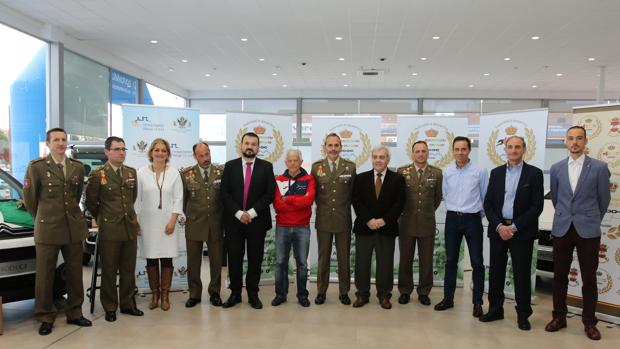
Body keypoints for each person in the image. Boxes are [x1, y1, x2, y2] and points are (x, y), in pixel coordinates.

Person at [23, 127, 92, 335]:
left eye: (63, 140)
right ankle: (45, 316)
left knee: (74, 274)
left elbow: (76, 194)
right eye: (56, 140)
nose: (61, 143)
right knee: (44, 276)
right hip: (48, 229)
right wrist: (42, 219)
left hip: (72, 228)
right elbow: (30, 199)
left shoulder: (77, 168)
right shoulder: (36, 167)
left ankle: (75, 312)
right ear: (48, 144)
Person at [545, 126, 610, 340]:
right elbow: (556, 198)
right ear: (565, 141)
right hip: (563, 228)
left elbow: (604, 200)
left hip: (588, 230)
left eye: (579, 138)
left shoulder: (599, 168)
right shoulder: (556, 168)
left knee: (589, 279)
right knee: (560, 277)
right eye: (571, 138)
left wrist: (590, 219)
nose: (575, 142)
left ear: (585, 141)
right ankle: (559, 317)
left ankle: (590, 322)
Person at [480, 136, 544, 331]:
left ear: (524, 149)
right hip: (498, 230)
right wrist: (500, 226)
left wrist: (514, 227)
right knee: (496, 272)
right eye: (510, 147)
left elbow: (536, 207)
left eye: (517, 147)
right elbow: (488, 204)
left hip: (521, 232)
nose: (513, 150)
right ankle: (495, 309)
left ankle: (523, 314)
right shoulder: (496, 173)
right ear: (505, 150)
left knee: (522, 274)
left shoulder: (534, 174)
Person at [85, 136, 143, 322]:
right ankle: (110, 307)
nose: (121, 153)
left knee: (128, 269)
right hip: (110, 228)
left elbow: (132, 198)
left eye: (123, 149)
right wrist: (103, 217)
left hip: (129, 228)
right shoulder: (98, 174)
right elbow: (92, 203)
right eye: (117, 149)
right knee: (109, 270)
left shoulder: (131, 172)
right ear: (107, 152)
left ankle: (127, 304)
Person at [220, 132, 275, 309]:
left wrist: (250, 213)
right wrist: (238, 213)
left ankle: (253, 294)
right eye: (247, 143)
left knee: (255, 259)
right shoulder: (230, 166)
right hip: (234, 222)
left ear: (258, 147)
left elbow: (269, 194)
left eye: (253, 144)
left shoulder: (266, 167)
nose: (250, 146)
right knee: (234, 259)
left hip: (256, 222)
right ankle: (235, 294)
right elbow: (224, 193)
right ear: (241, 145)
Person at [435, 136, 488, 318]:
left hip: (472, 219)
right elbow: (445, 194)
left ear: (469, 151)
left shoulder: (479, 171)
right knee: (450, 260)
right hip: (452, 219)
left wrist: (474, 214)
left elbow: (484, 196)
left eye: (463, 149)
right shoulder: (447, 171)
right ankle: (448, 298)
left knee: (477, 262)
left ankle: (477, 302)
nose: (459, 153)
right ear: (453, 151)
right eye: (456, 149)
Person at [351, 146, 405, 309]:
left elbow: (399, 203)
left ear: (388, 159)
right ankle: (362, 294)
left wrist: (383, 220)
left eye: (382, 157)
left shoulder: (397, 179)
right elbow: (356, 201)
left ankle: (384, 295)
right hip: (364, 228)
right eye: (375, 157)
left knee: (385, 263)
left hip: (386, 229)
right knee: (362, 263)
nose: (378, 160)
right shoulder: (361, 178)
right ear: (371, 159)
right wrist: (368, 219)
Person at [135, 138, 183, 311]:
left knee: (167, 258)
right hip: (147, 223)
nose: (160, 153)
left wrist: (172, 220)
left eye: (163, 150)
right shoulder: (141, 173)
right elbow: (137, 199)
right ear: (151, 152)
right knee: (151, 259)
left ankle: (165, 296)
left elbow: (179, 199)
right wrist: (136, 222)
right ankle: (154, 295)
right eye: (157, 150)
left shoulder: (175, 173)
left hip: (167, 223)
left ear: (168, 154)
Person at [311, 133, 356, 305]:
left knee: (344, 258)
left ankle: (344, 292)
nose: (333, 149)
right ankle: (321, 291)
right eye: (330, 145)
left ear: (341, 147)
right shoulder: (317, 168)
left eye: (336, 145)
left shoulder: (350, 167)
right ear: (324, 147)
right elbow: (313, 193)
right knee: (323, 258)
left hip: (343, 219)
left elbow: (352, 194)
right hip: (323, 219)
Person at [397, 140, 443, 306]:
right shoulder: (402, 171)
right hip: (406, 222)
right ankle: (404, 290)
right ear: (412, 153)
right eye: (417, 151)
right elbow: (399, 198)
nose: (421, 154)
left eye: (424, 151)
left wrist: (427, 211)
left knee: (426, 260)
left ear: (428, 153)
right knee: (405, 259)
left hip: (426, 222)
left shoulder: (436, 173)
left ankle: (424, 291)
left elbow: (437, 198)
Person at [181, 142, 224, 308]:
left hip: (215, 224)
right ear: (195, 156)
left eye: (207, 154)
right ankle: (194, 293)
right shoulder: (186, 174)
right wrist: (191, 215)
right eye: (201, 155)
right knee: (193, 262)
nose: (205, 158)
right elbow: (184, 200)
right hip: (194, 223)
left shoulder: (221, 172)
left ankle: (215, 292)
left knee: (216, 261)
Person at [272, 149, 316, 307]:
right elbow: (277, 204)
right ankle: (280, 294)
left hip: (302, 227)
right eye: (289, 160)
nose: (292, 163)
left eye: (295, 160)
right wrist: (298, 199)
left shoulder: (309, 179)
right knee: (280, 263)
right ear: (286, 162)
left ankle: (302, 295)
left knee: (302, 263)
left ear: (300, 162)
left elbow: (309, 201)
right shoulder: (279, 179)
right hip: (283, 226)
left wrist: (288, 199)